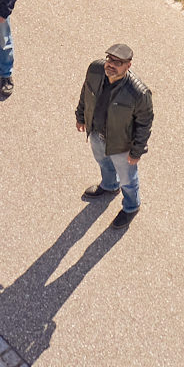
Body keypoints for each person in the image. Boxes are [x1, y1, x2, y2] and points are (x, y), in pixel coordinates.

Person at [74, 42, 152, 228]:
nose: (111, 64)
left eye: (118, 62)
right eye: (110, 59)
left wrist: (136, 151)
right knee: (103, 162)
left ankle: (131, 207)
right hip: (96, 132)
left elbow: (144, 124)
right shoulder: (95, 70)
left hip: (121, 144)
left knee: (128, 179)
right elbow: (86, 92)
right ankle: (109, 185)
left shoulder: (139, 93)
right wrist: (81, 116)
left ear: (128, 66)